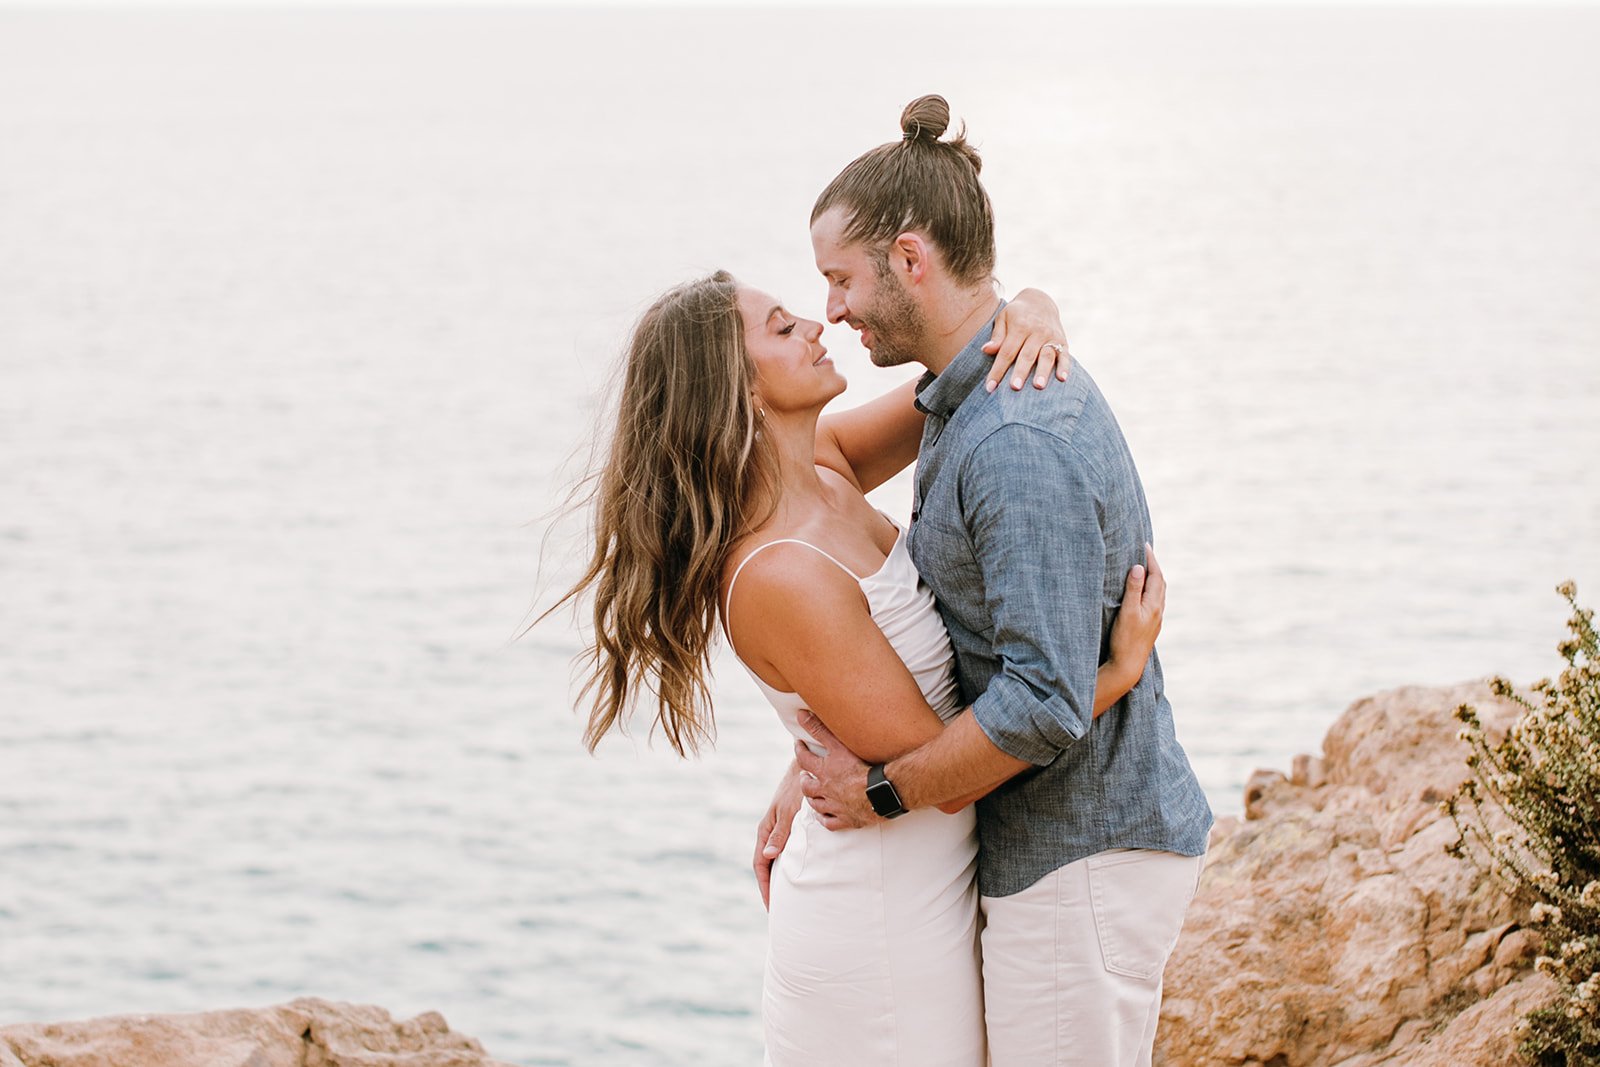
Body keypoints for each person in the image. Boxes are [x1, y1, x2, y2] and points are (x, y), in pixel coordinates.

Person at [553, 267, 1166, 1065]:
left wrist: (1038, 310)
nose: (816, 323)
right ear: (734, 393)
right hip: (877, 925)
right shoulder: (779, 573)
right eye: (780, 327)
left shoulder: (828, 463)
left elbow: (968, 368)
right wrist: (1115, 672)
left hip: (928, 888)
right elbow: (954, 774)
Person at [779, 95, 1216, 1066]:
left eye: (839, 279)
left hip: (1084, 850)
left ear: (908, 257)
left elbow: (1040, 703)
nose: (833, 309)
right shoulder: (961, 394)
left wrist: (881, 792)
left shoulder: (1015, 437)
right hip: (1049, 843)